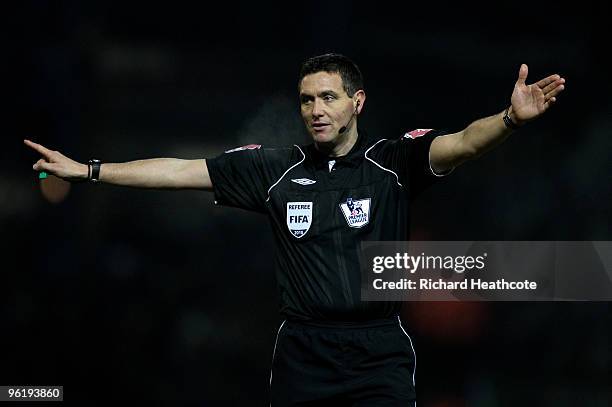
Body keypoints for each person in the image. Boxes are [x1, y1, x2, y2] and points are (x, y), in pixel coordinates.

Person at [24, 53, 565, 406]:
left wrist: (511, 118)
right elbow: (179, 170)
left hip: (378, 352)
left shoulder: (393, 163)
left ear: (357, 103)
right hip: (304, 352)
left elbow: (465, 142)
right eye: (306, 100)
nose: (315, 109)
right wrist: (88, 170)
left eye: (328, 97)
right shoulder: (275, 169)